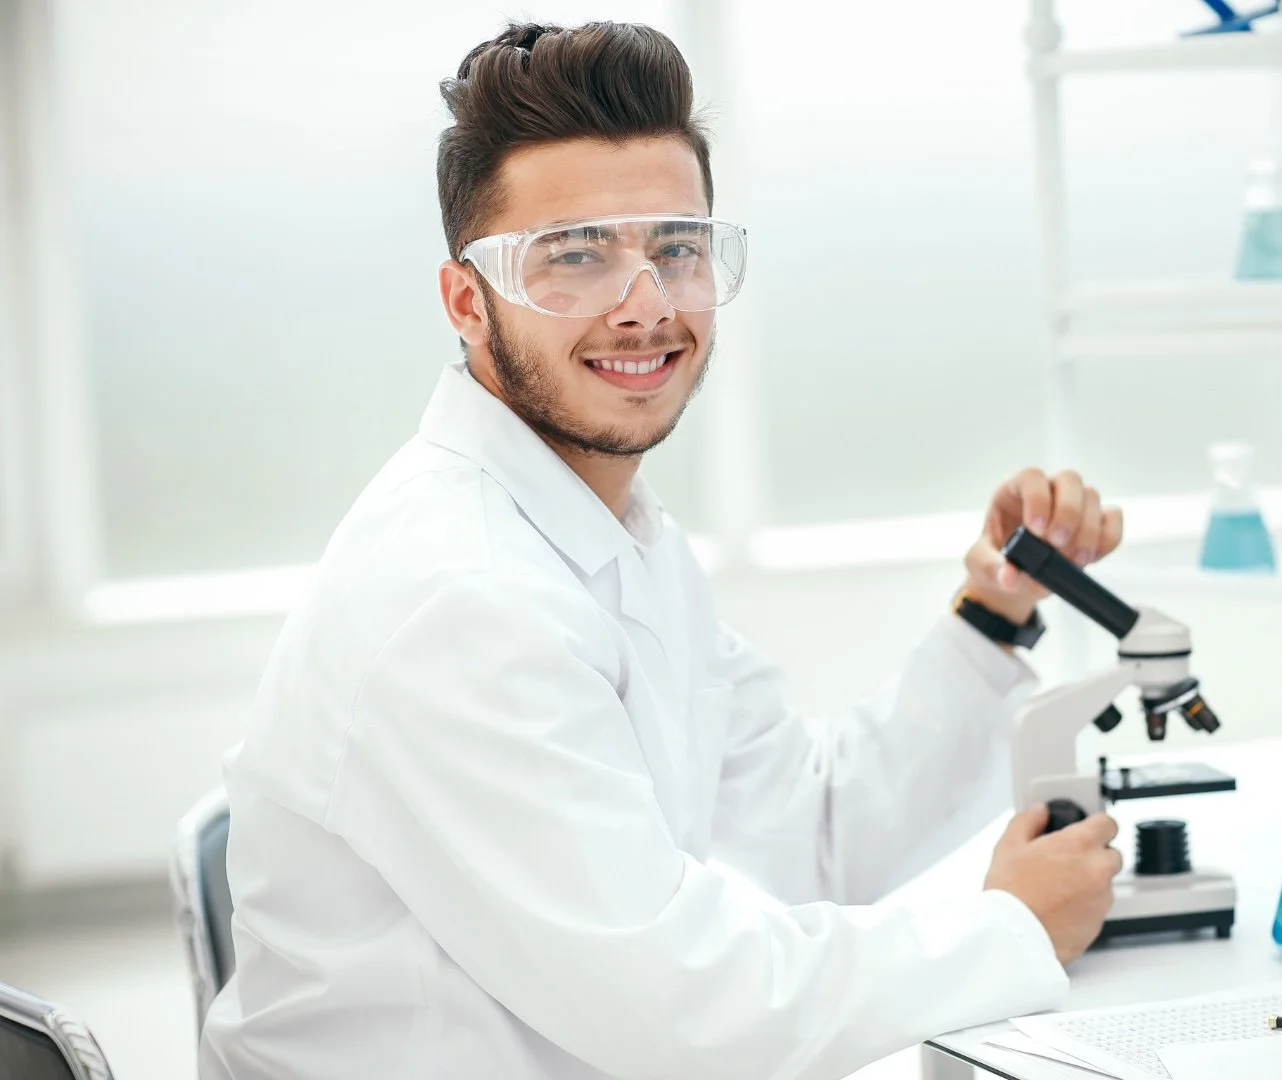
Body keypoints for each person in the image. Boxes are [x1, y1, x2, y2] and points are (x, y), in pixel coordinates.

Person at [199, 20, 1125, 1080]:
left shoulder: (617, 537)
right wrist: (1007, 930)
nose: (643, 306)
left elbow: (809, 835)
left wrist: (991, 611)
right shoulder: (460, 596)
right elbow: (681, 1012)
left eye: (675, 249)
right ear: (466, 302)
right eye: (576, 257)